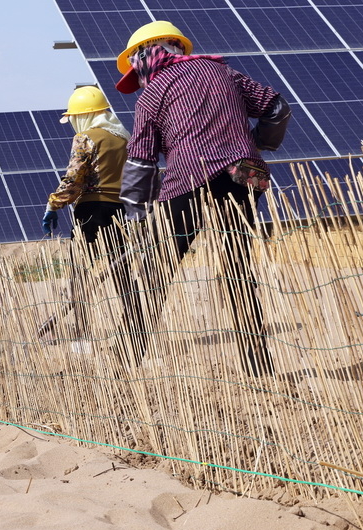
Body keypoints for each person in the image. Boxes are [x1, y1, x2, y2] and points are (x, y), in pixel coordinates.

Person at [115, 21, 292, 375]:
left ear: (145, 56)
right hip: (244, 171)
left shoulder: (153, 93)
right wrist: (254, 144)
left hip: (188, 178)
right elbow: (277, 108)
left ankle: (124, 358)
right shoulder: (224, 72)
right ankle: (258, 365)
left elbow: (140, 159)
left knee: (157, 268)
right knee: (238, 266)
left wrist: (135, 217)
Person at [39, 86, 133, 344]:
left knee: (78, 272)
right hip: (121, 209)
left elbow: (74, 179)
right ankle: (134, 324)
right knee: (122, 271)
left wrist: (53, 204)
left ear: (83, 116)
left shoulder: (85, 138)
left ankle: (81, 328)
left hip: (91, 209)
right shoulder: (124, 137)